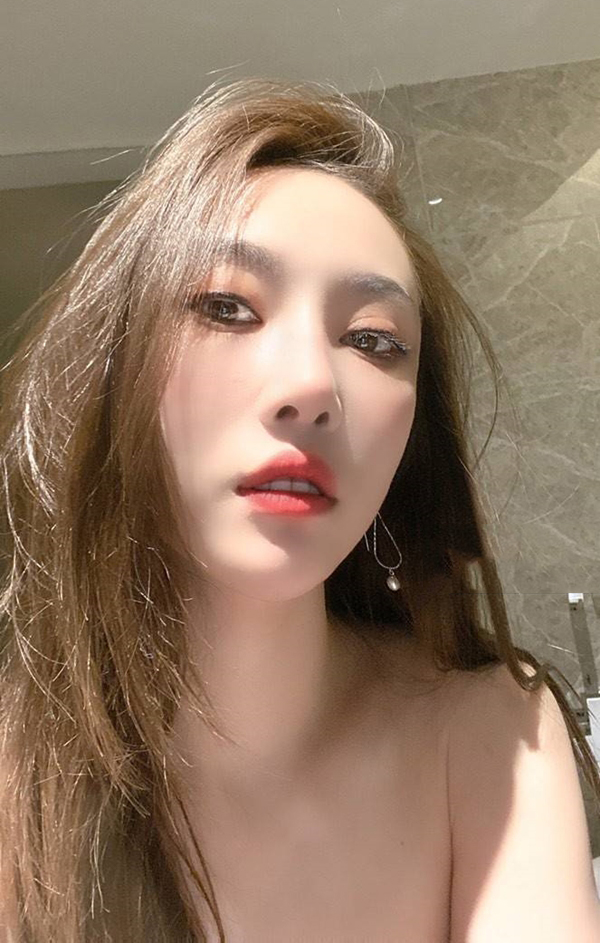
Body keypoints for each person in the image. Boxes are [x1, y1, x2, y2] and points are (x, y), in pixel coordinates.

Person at [1, 78, 599, 942]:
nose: (314, 385)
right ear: (112, 370)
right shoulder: (21, 783)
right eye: (226, 307)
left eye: (373, 340)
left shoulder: (493, 738)